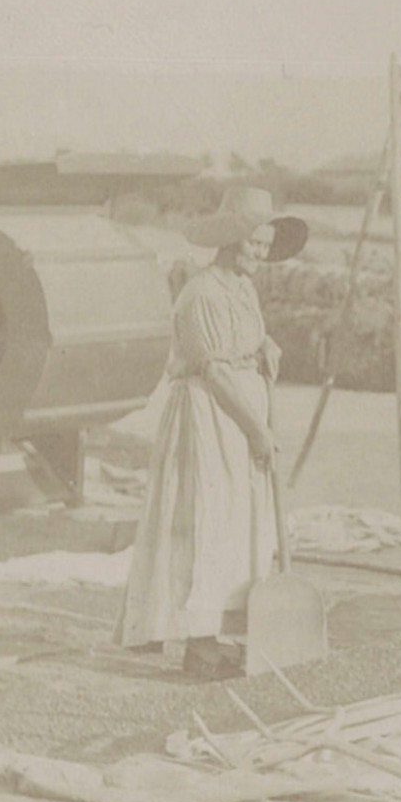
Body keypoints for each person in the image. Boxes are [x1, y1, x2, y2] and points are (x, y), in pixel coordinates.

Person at [114, 186, 307, 680]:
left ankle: (219, 634)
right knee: (207, 522)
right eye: (254, 246)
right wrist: (257, 430)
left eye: (266, 248)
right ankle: (198, 645)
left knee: (237, 526)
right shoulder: (200, 293)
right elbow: (216, 373)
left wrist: (266, 345)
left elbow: (245, 336)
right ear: (229, 240)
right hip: (212, 417)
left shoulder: (242, 287)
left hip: (240, 419)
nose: (261, 256)